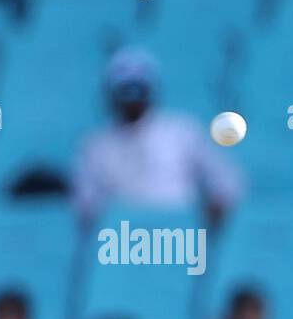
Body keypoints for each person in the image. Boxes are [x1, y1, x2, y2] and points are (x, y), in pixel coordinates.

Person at [71, 47, 244, 225]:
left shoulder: (182, 132)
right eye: (125, 91)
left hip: (178, 236)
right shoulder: (96, 144)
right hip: (121, 238)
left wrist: (216, 203)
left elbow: (225, 179)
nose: (132, 99)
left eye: (138, 89)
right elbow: (85, 200)